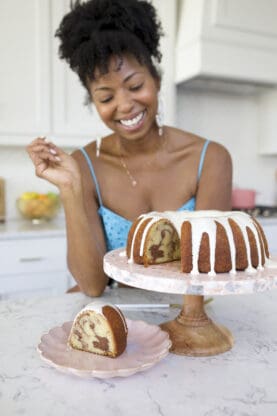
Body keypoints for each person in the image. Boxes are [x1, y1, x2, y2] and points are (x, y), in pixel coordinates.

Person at [27, 0, 232, 297]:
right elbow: (93, 285)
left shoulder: (210, 159)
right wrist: (71, 188)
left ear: (157, 81)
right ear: (93, 103)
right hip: (120, 318)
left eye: (135, 86)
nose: (124, 105)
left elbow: (208, 273)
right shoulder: (83, 165)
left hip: (191, 315)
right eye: (106, 97)